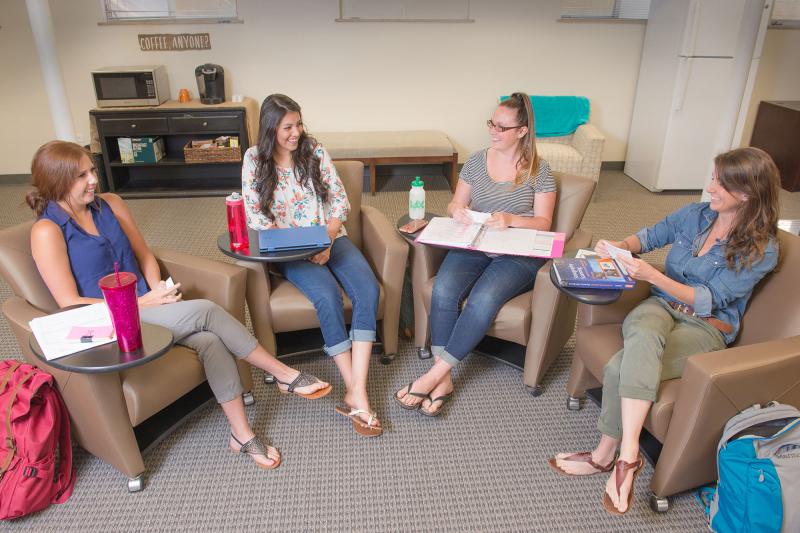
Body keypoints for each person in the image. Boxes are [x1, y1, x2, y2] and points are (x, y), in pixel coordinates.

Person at [28, 140, 333, 472]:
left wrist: (156, 286)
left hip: (153, 304)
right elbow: (68, 302)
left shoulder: (110, 204)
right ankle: (282, 373)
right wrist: (142, 301)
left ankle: (241, 434)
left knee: (211, 341)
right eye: (81, 176)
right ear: (57, 182)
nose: (93, 180)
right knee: (204, 310)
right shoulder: (47, 231)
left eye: (91, 170)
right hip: (112, 325)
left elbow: (144, 254)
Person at [549, 147, 781, 515]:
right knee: (642, 328)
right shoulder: (696, 215)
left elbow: (711, 298)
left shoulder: (762, 248)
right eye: (713, 178)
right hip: (659, 307)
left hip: (705, 327)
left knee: (616, 367)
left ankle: (605, 455)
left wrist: (653, 275)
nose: (711, 187)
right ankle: (628, 458)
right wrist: (619, 249)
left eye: (721, 183)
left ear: (748, 193)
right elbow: (651, 235)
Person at [395, 92, 557, 416]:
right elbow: (457, 202)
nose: (492, 131)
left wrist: (512, 220)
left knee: (483, 299)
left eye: (501, 126)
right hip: (476, 242)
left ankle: (435, 375)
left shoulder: (539, 170)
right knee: (443, 288)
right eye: (491, 123)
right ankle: (444, 381)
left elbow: (544, 222)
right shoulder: (476, 161)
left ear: (522, 131)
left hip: (517, 253)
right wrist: (457, 211)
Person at [241, 94, 383, 437]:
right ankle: (357, 391)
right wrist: (300, 248)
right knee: (327, 297)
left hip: (331, 237)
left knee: (368, 290)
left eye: (299, 124)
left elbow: (338, 200)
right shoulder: (254, 158)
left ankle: (356, 389)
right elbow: (255, 215)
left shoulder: (314, 150)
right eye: (288, 126)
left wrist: (328, 240)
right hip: (289, 250)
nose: (296, 132)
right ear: (271, 127)